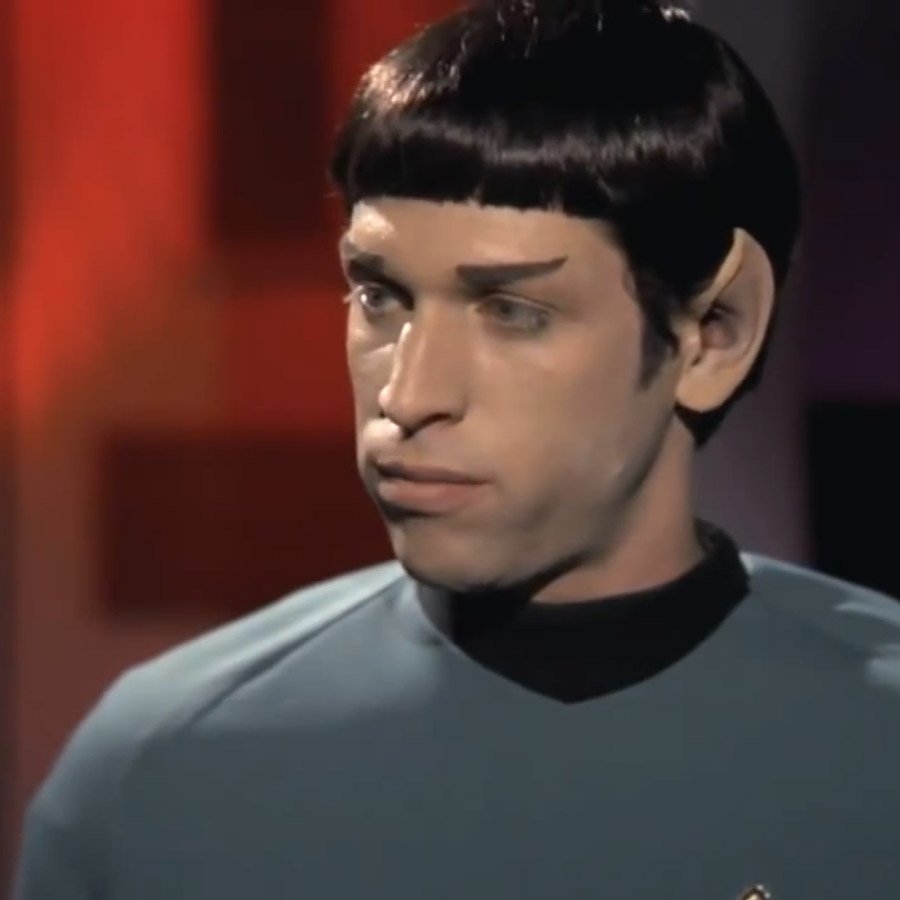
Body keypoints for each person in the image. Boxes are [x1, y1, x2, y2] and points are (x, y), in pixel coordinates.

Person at [14, 0, 900, 897]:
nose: (407, 397)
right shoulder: (161, 770)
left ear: (713, 334)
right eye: (379, 297)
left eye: (513, 311)